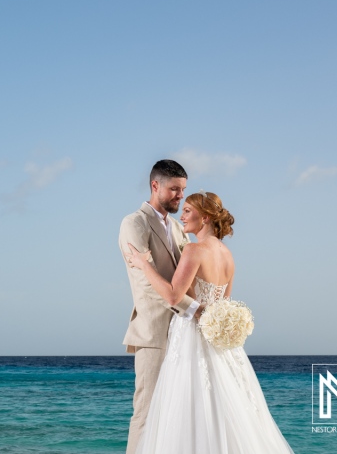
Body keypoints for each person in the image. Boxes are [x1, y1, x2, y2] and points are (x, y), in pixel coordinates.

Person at [125, 191, 294, 453]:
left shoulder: (194, 250)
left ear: (204, 218)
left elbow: (172, 294)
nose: (182, 216)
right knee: (225, 405)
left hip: (190, 335)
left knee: (188, 408)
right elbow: (224, 304)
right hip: (219, 343)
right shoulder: (227, 255)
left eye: (188, 211)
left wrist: (143, 264)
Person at [118, 159, 200, 454]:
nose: (181, 196)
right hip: (152, 333)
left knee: (179, 414)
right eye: (175, 189)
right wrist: (195, 311)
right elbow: (147, 283)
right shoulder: (134, 223)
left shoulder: (179, 229)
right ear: (155, 186)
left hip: (183, 334)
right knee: (147, 411)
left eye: (183, 190)